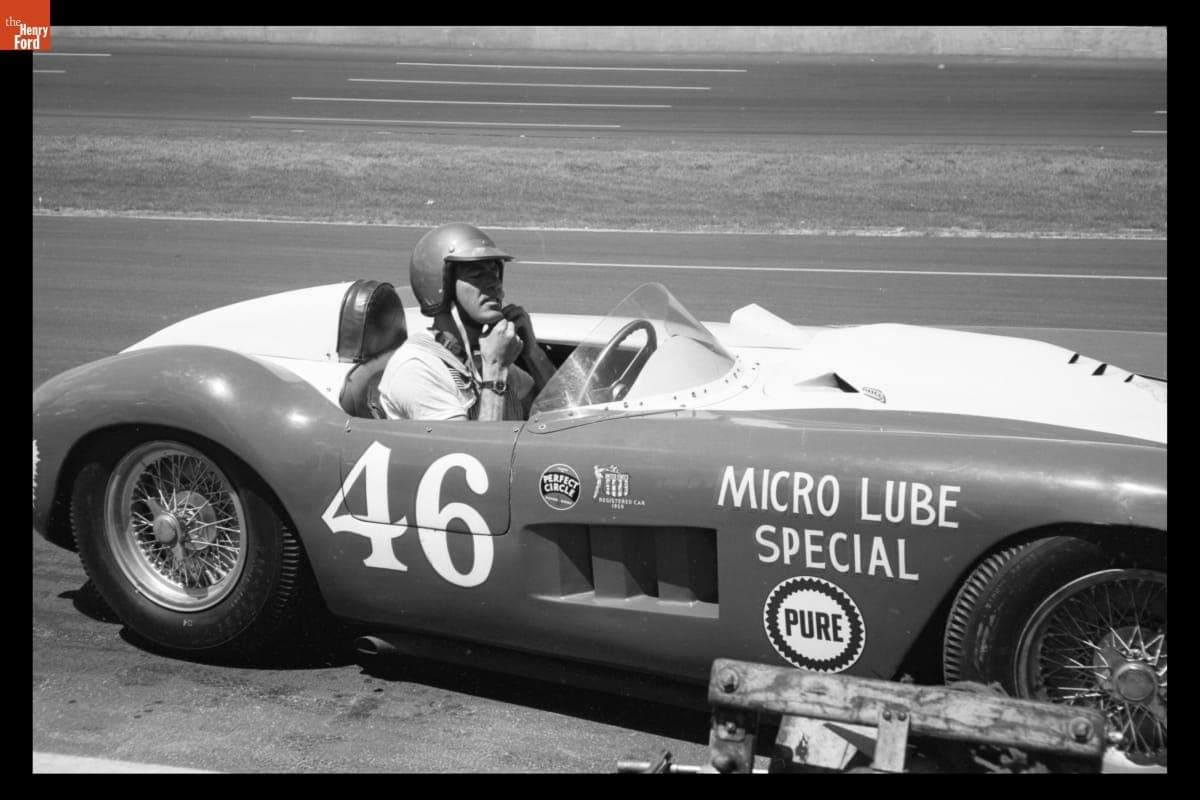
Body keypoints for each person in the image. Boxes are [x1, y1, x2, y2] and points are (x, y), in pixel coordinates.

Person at [379, 223, 556, 421]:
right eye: (477, 275)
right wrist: (495, 371)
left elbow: (555, 411)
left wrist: (532, 352)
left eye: (494, 273)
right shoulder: (417, 368)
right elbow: (472, 451)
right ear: (442, 285)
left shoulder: (479, 357)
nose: (494, 284)